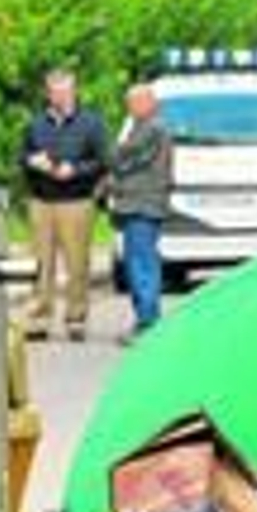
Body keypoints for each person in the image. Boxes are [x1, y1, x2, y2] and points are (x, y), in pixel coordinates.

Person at [21, 69, 110, 341]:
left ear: (74, 91)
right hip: (41, 201)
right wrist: (32, 162)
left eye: (64, 91)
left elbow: (102, 161)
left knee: (77, 263)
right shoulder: (36, 124)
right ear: (47, 93)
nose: (58, 96)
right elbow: (22, 156)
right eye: (54, 91)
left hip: (76, 201)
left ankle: (75, 318)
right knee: (40, 263)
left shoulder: (91, 123)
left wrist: (76, 169)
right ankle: (40, 319)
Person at [109, 84, 173, 343]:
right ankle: (144, 319)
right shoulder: (142, 126)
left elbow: (127, 159)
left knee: (142, 265)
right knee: (137, 263)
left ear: (149, 102)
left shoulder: (153, 129)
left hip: (143, 205)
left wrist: (111, 154)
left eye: (133, 102)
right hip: (134, 205)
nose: (129, 108)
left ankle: (148, 323)